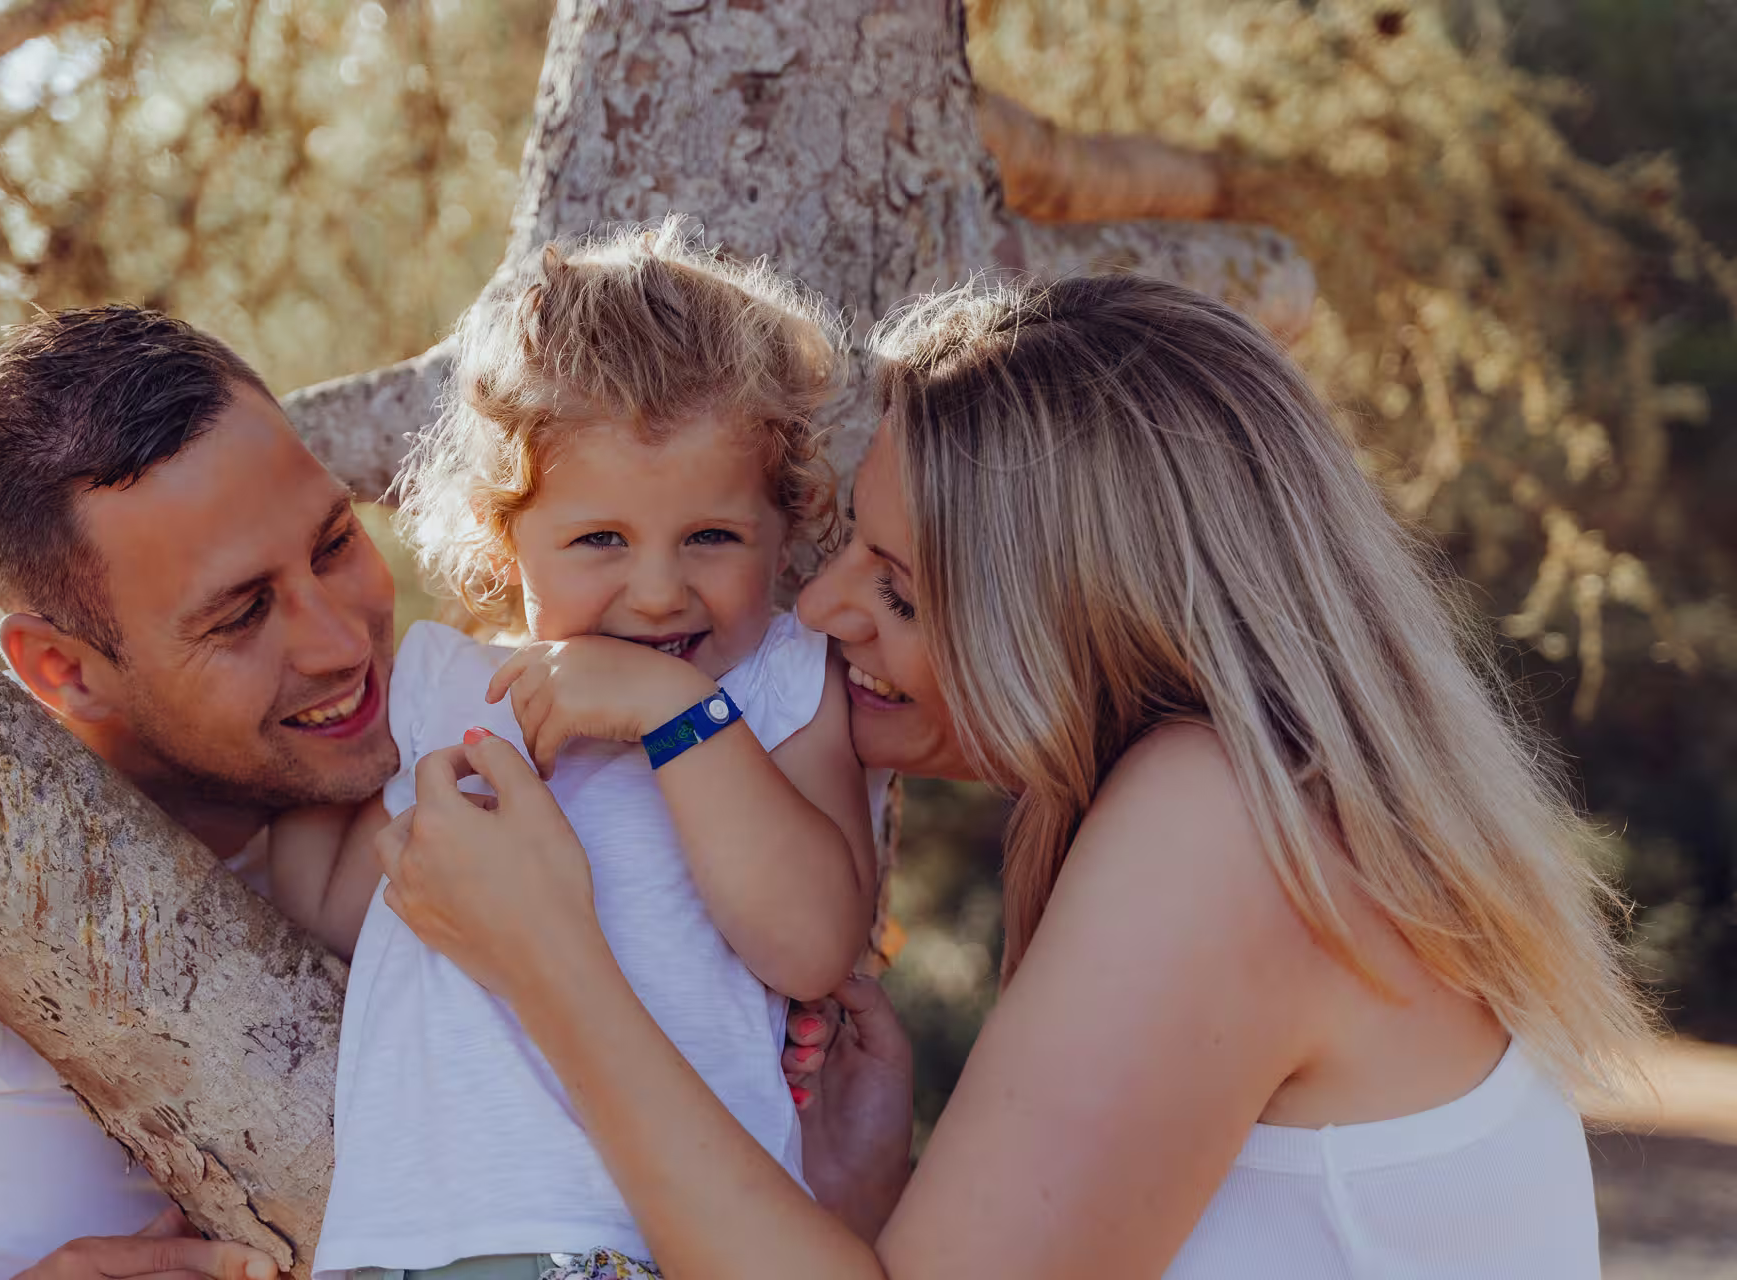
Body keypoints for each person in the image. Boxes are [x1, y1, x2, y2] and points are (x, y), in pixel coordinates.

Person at [372, 272, 1654, 1278]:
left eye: (903, 588)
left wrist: (548, 960)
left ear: (1081, 615)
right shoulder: (1243, 806)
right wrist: (863, 1204)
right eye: (847, 551)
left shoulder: (1224, 833)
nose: (819, 607)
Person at [281, 224, 877, 1279]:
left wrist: (674, 707)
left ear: (785, 532)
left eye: (712, 537)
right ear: (508, 545)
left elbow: (812, 940)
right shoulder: (446, 688)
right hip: (407, 1241)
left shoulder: (776, 683)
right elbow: (336, 896)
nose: (657, 590)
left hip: (637, 1235)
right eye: (601, 540)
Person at [0, 307, 394, 1280]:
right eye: (241, 612)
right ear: (61, 667)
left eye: (334, 541)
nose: (342, 641)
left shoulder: (442, 775)